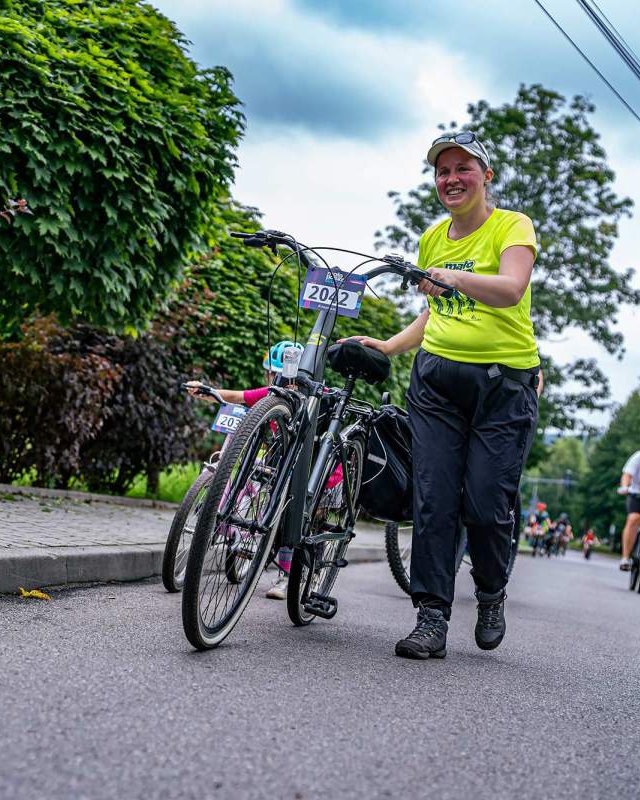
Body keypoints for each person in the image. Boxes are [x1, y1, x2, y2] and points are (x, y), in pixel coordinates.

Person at [343, 131, 539, 659]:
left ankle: (491, 592)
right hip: (436, 382)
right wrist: (390, 343)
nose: (451, 179)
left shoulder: (511, 226)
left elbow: (511, 288)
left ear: (486, 176)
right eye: (441, 171)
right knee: (432, 500)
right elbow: (434, 312)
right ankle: (430, 618)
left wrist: (453, 276)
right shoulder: (433, 237)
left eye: (463, 168)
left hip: (503, 383)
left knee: (485, 505)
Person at [186, 340, 310, 601]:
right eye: (273, 374)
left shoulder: (309, 402)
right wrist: (207, 391)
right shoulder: (269, 394)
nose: (278, 381)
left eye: (284, 376)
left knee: (289, 512)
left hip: (302, 467)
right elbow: (237, 396)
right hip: (275, 459)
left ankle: (286, 576)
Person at [617, 449, 640, 570]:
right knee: (634, 518)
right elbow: (627, 475)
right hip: (637, 495)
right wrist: (624, 487)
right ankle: (625, 558)